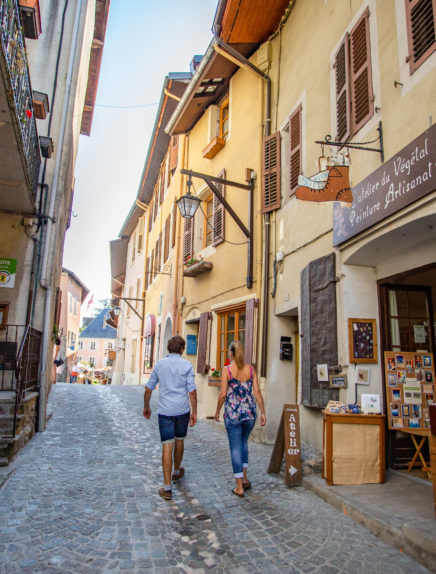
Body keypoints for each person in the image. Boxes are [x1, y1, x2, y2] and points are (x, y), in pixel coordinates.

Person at [143, 335, 197, 500]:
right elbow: (192, 391)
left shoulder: (160, 364)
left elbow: (148, 388)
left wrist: (146, 406)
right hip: (182, 409)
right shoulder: (187, 365)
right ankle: (176, 470)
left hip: (165, 411)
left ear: (169, 348)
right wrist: (194, 411)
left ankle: (167, 487)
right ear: (181, 349)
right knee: (179, 440)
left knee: (167, 445)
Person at [215, 340, 266, 497]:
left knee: (235, 447)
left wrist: (217, 411)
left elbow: (223, 394)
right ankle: (244, 478)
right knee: (243, 443)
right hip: (249, 414)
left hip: (233, 414)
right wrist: (263, 412)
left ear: (230, 353)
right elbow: (257, 392)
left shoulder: (227, 370)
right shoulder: (251, 370)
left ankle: (239, 487)